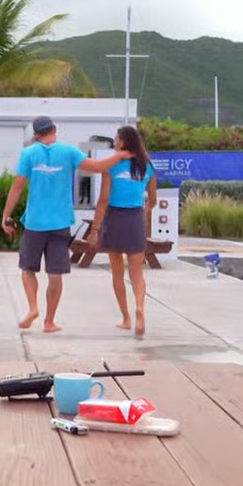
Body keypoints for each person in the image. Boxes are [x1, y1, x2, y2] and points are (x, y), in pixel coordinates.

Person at [1, 116, 131, 333]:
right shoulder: (69, 152)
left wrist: (6, 216)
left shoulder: (29, 154)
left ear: (36, 135)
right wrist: (121, 155)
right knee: (55, 274)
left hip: (34, 223)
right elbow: (98, 167)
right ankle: (49, 322)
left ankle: (33, 308)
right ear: (54, 130)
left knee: (28, 269)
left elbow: (17, 187)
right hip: (60, 223)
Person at [88, 124, 157, 338]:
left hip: (114, 218)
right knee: (137, 272)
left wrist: (95, 228)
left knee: (117, 271)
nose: (115, 141)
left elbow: (103, 200)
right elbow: (153, 200)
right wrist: (143, 211)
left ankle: (127, 318)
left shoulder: (113, 165)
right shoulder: (147, 166)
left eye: (116, 138)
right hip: (135, 218)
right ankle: (140, 308)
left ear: (123, 141)